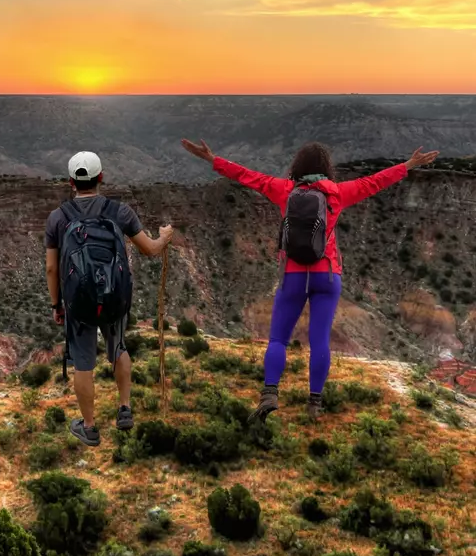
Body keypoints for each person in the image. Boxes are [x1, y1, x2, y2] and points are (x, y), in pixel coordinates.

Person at [180, 139, 439, 420]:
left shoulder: (284, 190)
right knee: (320, 341)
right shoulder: (337, 193)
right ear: (326, 168)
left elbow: (246, 175)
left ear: (297, 166)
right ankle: (314, 403)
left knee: (278, 339)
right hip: (326, 275)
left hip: (292, 274)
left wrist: (212, 158)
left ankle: (269, 393)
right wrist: (409, 165)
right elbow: (374, 182)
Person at [45, 151, 174, 446]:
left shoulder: (58, 218)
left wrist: (57, 305)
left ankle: (89, 427)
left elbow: (52, 267)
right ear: (101, 177)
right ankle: (124, 408)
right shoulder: (120, 212)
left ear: (70, 182)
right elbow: (151, 249)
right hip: (114, 299)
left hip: (78, 303)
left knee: (82, 363)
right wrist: (165, 235)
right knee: (118, 348)